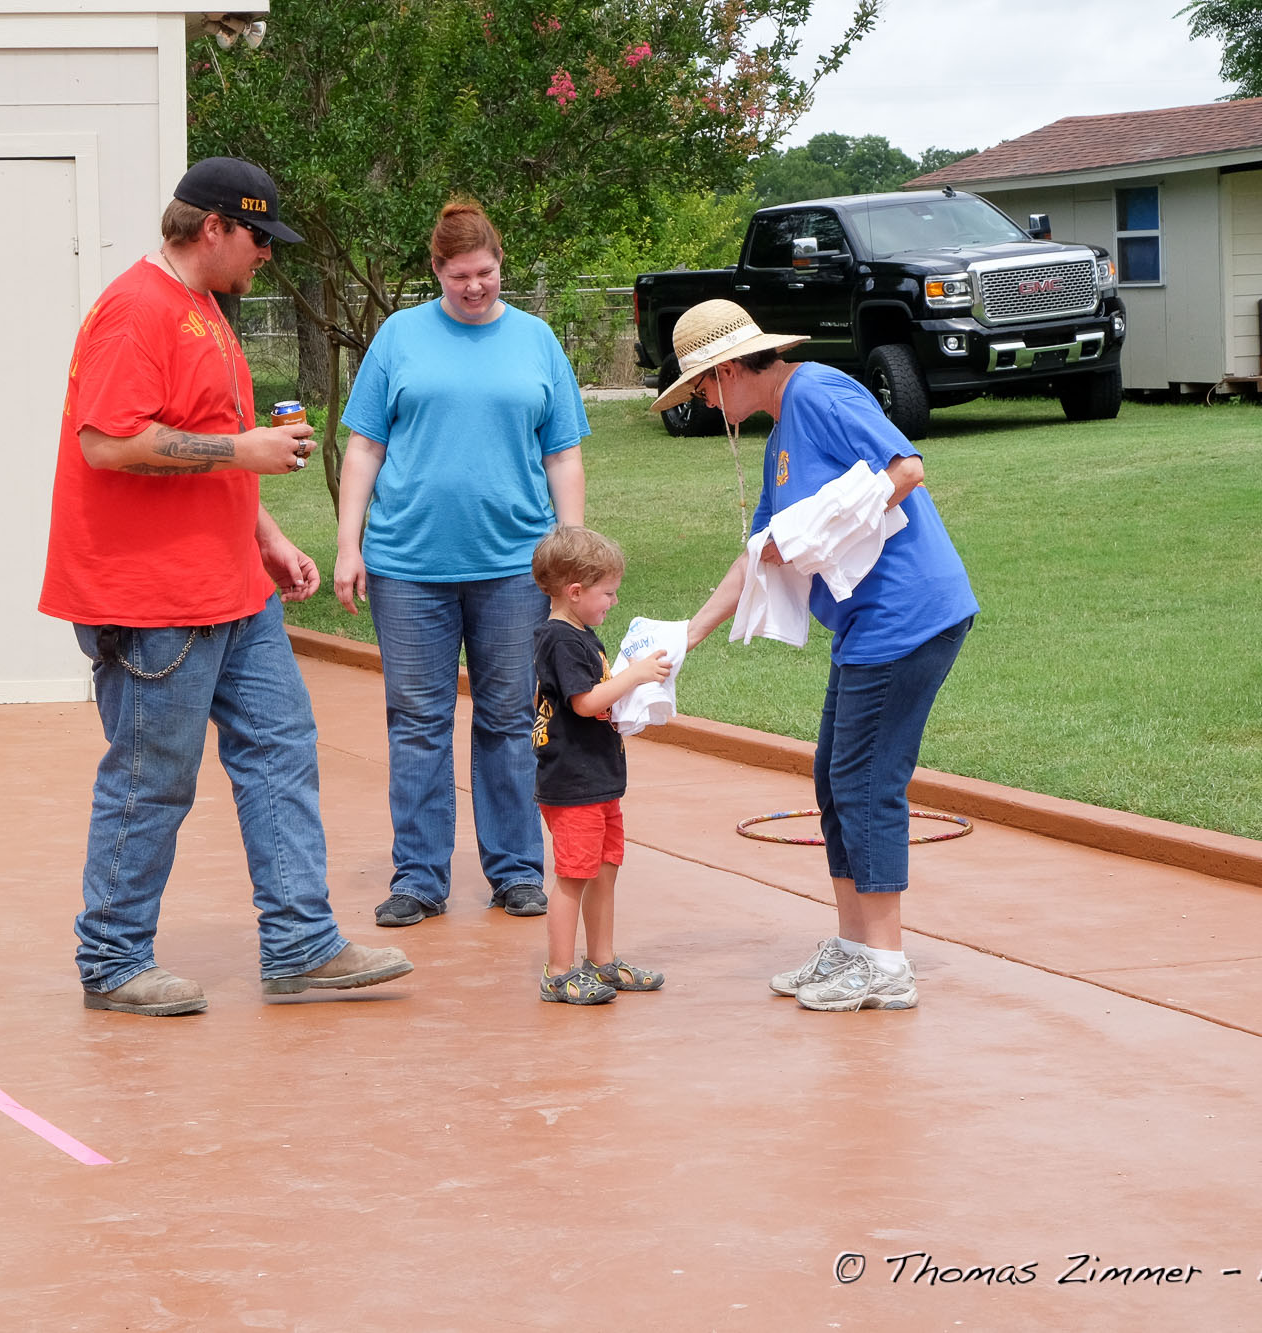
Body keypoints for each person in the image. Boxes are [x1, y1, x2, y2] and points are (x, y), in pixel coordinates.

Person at [40, 157, 412, 1016]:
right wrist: (242, 452)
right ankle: (113, 959)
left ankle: (301, 944)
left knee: (281, 747)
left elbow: (206, 440)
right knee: (153, 776)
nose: (267, 254)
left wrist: (268, 538)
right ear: (212, 226)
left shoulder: (204, 307)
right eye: (258, 236)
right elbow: (107, 442)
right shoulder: (136, 310)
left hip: (233, 588)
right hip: (151, 598)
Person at [660, 299, 978, 1013]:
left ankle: (887, 963)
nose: (703, 403)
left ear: (728, 369)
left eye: (701, 387)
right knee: (835, 779)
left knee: (867, 782)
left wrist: (820, 528)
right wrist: (688, 635)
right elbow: (759, 553)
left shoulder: (819, 392)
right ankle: (855, 944)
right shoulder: (779, 436)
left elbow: (907, 468)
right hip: (866, 625)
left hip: (907, 614)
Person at [334, 198, 588, 928]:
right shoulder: (399, 336)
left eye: (485, 272)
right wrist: (349, 544)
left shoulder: (536, 340)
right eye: (458, 276)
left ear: (501, 263)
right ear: (436, 271)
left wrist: (570, 548)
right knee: (417, 721)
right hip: (408, 565)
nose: (474, 287)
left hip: (514, 566)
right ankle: (419, 877)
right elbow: (365, 447)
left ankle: (516, 870)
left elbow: (562, 454)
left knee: (509, 717)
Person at [527, 527, 672, 1005]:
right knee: (573, 877)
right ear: (575, 591)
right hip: (573, 784)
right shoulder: (561, 640)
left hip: (599, 780)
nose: (613, 601)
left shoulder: (582, 635)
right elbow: (586, 702)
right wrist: (634, 677)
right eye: (607, 593)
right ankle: (558, 973)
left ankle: (602, 960)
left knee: (604, 870)